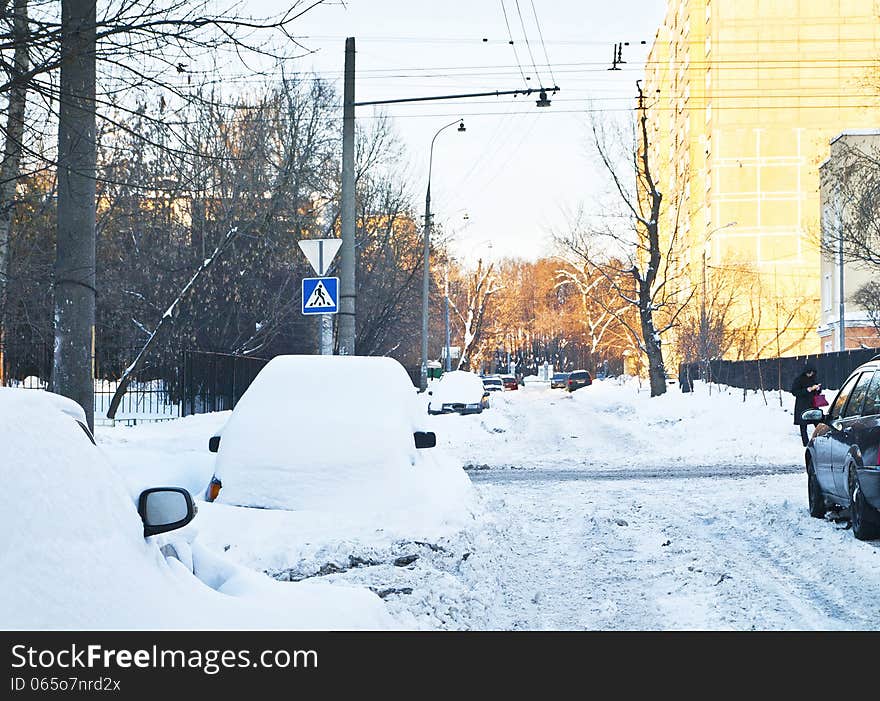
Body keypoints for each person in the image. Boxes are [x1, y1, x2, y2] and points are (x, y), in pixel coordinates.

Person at [790, 365, 821, 447]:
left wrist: (817, 389)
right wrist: (807, 390)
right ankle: (806, 444)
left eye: (812, 373)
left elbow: (817, 392)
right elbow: (794, 392)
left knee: (817, 423)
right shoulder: (799, 380)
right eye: (809, 373)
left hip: (812, 404)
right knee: (803, 425)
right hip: (802, 405)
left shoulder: (813, 379)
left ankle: (820, 440)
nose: (810, 375)